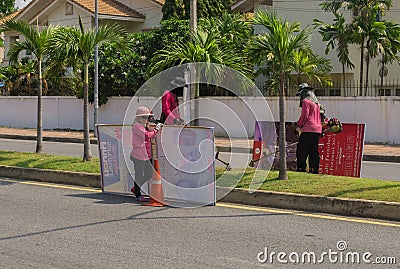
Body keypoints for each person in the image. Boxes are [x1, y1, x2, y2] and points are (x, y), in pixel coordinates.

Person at [130, 107, 163, 201]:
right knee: (139, 174)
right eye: (144, 117)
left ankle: (136, 188)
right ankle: (138, 194)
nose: (146, 119)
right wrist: (157, 129)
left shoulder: (144, 125)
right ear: (138, 117)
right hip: (138, 154)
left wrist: (154, 121)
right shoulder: (137, 125)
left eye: (147, 117)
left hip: (147, 153)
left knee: (150, 173)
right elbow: (148, 135)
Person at [295, 83, 322, 174]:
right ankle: (314, 169)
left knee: (301, 149)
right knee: (313, 150)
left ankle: (301, 168)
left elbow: (305, 115)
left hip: (308, 129)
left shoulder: (306, 101)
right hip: (317, 129)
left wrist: (298, 124)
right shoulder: (317, 104)